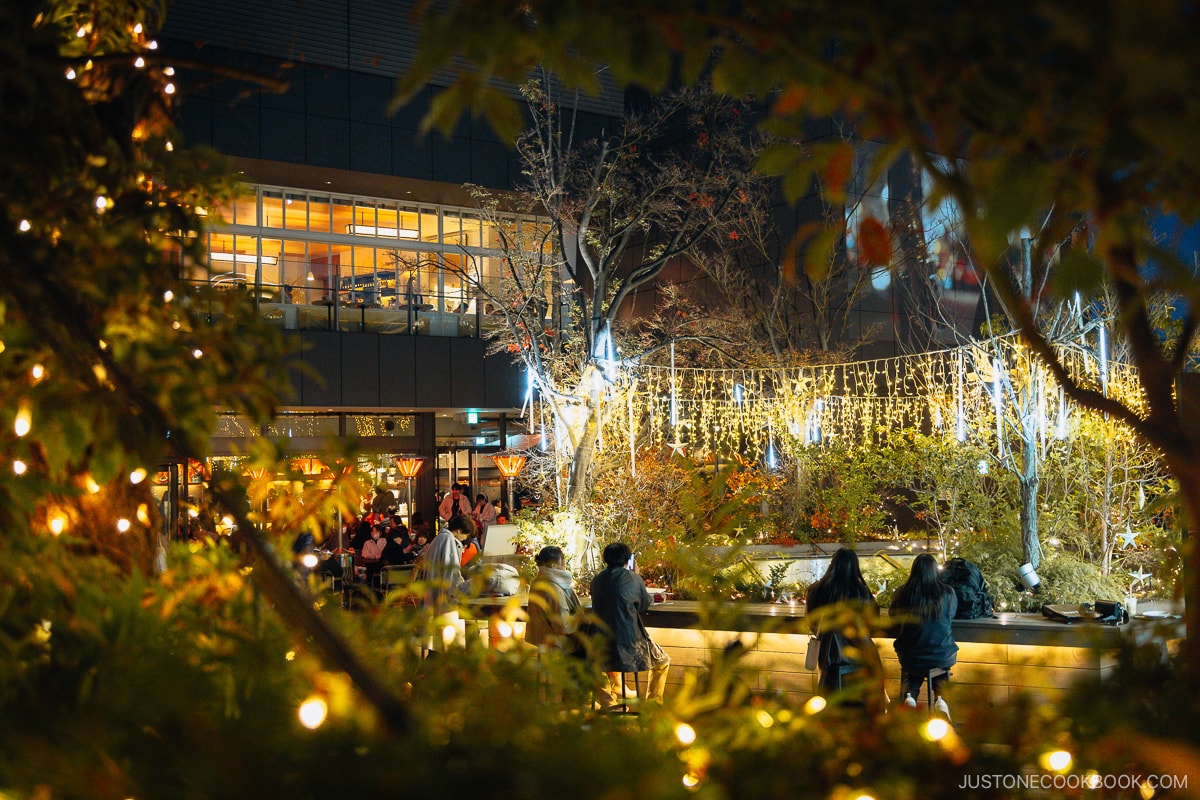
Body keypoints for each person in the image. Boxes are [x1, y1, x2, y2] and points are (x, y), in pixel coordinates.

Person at [589, 541, 670, 705]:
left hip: (599, 645)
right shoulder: (633, 578)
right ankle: (653, 705)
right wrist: (637, 575)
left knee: (599, 663)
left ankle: (608, 702)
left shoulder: (597, 579)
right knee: (662, 661)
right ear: (628, 559)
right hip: (630, 646)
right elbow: (643, 604)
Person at [805, 548, 884, 707]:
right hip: (858, 657)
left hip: (828, 657)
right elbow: (872, 625)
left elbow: (811, 623)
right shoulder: (862, 593)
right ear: (855, 567)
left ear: (832, 564)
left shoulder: (817, 590)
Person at [890, 553, 959, 719]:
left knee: (914, 667)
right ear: (935, 571)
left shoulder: (902, 593)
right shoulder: (947, 593)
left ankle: (910, 697)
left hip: (910, 655)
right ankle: (941, 700)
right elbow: (951, 615)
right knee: (937, 666)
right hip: (942, 654)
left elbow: (893, 616)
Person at [526, 546, 583, 654]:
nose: (564, 566)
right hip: (560, 645)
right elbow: (562, 625)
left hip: (541, 639)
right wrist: (579, 619)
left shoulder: (537, 582)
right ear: (554, 565)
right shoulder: (554, 587)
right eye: (563, 562)